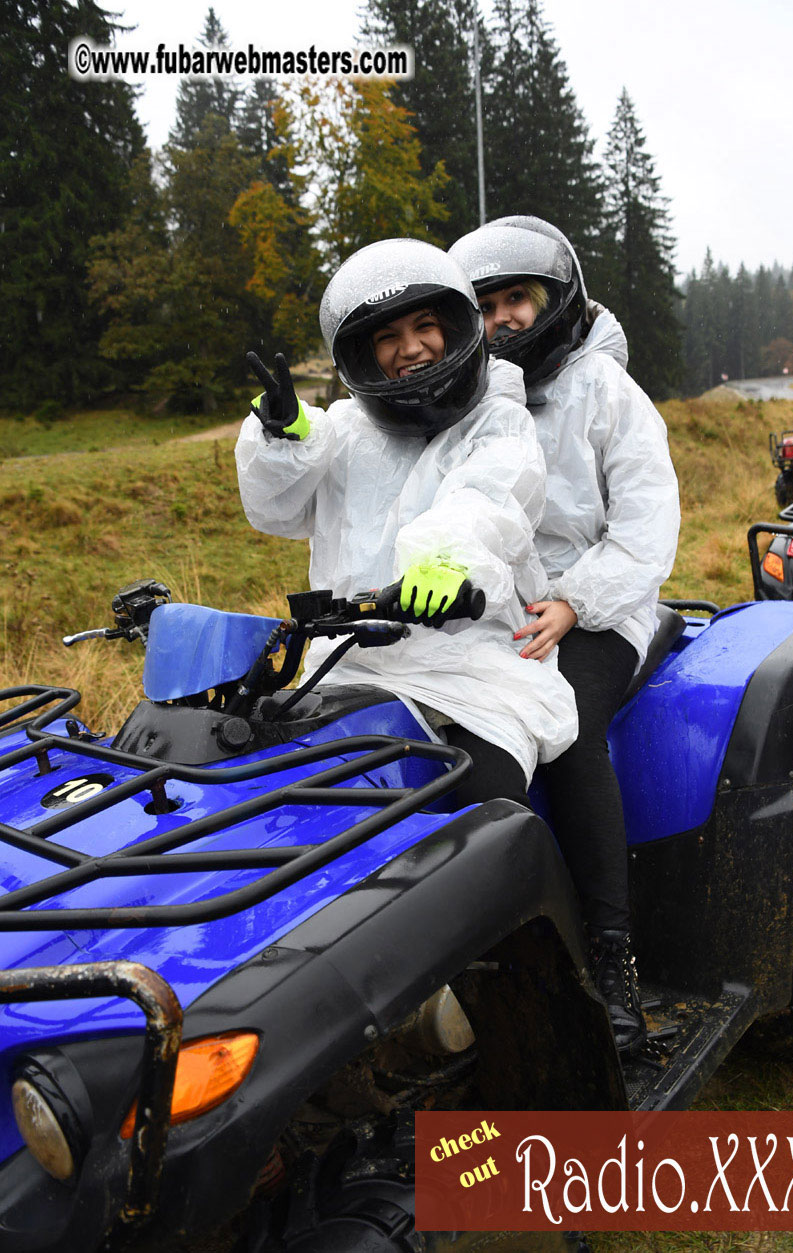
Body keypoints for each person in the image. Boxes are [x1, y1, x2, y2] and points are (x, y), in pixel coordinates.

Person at [235, 237, 578, 809]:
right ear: (364, 357)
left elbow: (487, 499)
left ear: (454, 326)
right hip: (349, 666)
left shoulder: (499, 422)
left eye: (424, 327)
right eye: (387, 337)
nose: (411, 348)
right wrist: (282, 439)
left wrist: (446, 561)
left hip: (473, 666)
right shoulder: (343, 430)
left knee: (481, 807)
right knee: (282, 801)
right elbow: (278, 512)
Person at [450, 216, 680, 1054]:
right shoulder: (467, 399)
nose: (504, 317)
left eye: (519, 298)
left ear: (558, 302)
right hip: (503, 610)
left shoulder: (609, 394)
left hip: (603, 608)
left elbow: (648, 528)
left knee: (569, 732)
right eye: (485, 305)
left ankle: (613, 962)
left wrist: (576, 602)